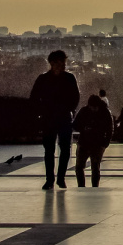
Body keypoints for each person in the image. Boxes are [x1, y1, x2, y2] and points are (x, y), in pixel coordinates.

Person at [30, 50, 80, 190]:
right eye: (61, 62)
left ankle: (56, 179)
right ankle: (54, 179)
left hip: (58, 117)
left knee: (61, 150)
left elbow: (75, 97)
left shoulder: (46, 78)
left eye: (64, 62)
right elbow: (34, 98)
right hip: (54, 118)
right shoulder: (66, 78)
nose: (64, 65)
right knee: (52, 150)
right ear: (52, 63)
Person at [73, 93, 112, 187]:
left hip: (95, 143)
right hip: (87, 142)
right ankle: (84, 186)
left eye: (95, 107)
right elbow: (75, 125)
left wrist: (105, 143)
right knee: (82, 167)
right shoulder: (86, 111)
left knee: (93, 166)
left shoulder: (103, 112)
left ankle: (90, 186)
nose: (94, 109)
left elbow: (110, 128)